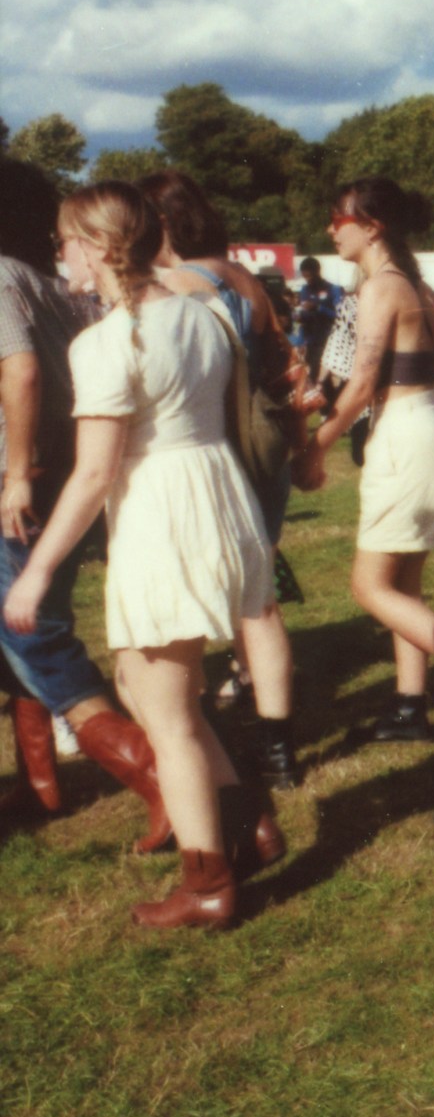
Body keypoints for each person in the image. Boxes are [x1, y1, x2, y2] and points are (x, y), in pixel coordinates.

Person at [4, 184, 279, 928]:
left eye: (65, 241)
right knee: (139, 678)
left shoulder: (105, 341)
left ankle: (207, 882)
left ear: (95, 247)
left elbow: (95, 474)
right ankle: (248, 821)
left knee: (169, 715)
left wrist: (34, 571)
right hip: (217, 495)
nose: (59, 254)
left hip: (161, 511)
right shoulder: (204, 310)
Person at [0, 160, 171, 844]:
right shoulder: (43, 280)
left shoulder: (1, 277)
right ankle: (39, 785)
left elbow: (22, 370)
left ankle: (163, 778)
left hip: (21, 481)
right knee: (18, 638)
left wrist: (14, 472)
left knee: (34, 635)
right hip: (58, 471)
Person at [142, 170, 312, 789]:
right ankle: (279, 746)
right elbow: (283, 362)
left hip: (209, 451)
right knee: (257, 597)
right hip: (262, 444)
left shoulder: (175, 287)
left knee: (195, 596)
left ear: (158, 223)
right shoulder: (241, 275)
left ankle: (194, 738)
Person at [308, 178, 434, 742]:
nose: (331, 229)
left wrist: (316, 446)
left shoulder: (380, 289)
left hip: (408, 436)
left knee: (370, 588)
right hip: (433, 428)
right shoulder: (419, 285)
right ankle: (408, 705)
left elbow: (361, 385)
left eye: (337, 217)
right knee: (405, 586)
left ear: (371, 226)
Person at [292, 257, 340, 377]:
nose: (307, 280)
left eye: (310, 276)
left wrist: (318, 308)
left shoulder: (333, 289)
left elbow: (339, 316)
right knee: (309, 376)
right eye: (304, 277)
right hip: (309, 341)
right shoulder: (304, 290)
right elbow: (304, 315)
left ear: (317, 271)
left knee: (320, 377)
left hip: (327, 341)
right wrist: (298, 316)